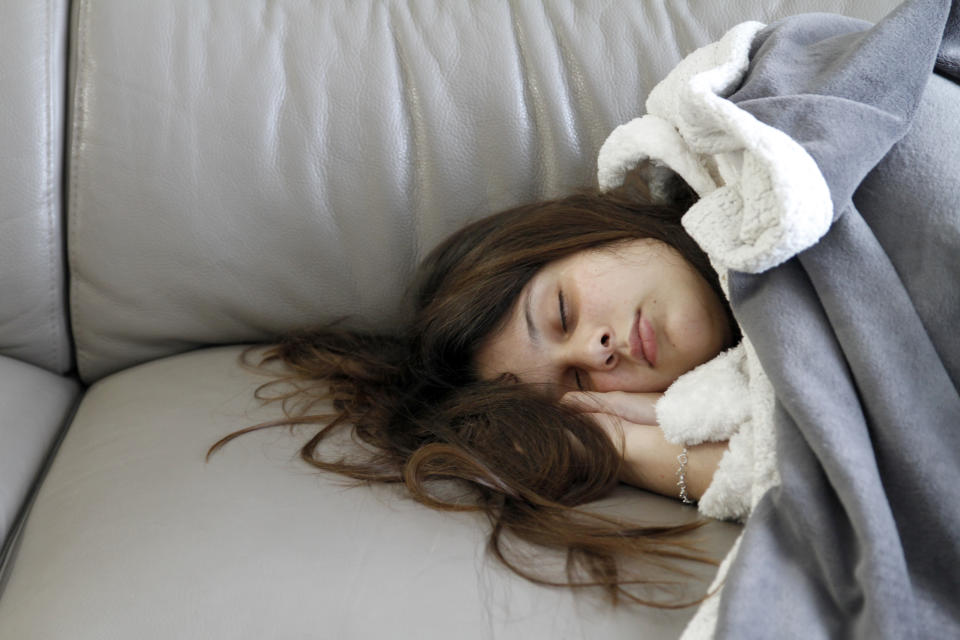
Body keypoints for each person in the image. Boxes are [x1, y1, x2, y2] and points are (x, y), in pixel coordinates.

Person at [209, 180, 742, 606]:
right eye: (579, 384)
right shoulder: (738, 389)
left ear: (582, 233)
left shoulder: (747, 143)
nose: (595, 350)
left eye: (561, 313)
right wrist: (628, 446)